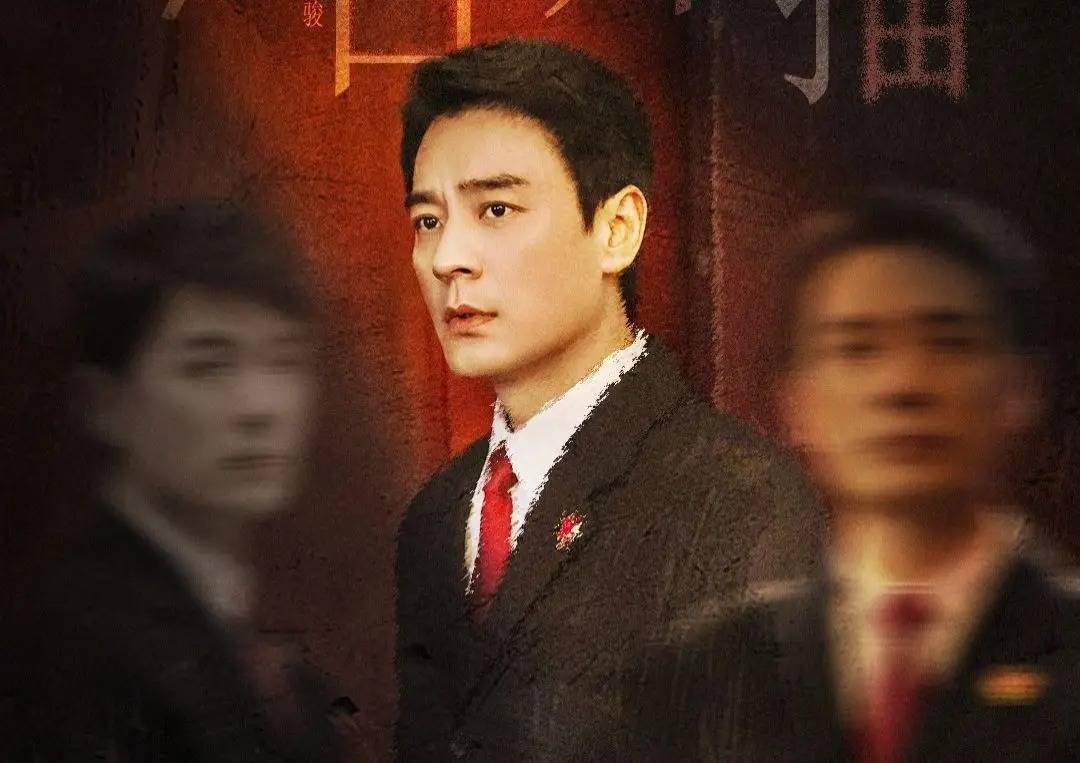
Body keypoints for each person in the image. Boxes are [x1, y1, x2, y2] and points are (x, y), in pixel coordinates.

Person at [395, 38, 821, 759]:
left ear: (617, 229)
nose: (447, 259)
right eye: (428, 221)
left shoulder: (738, 500)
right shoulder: (435, 518)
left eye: (495, 209)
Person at [626, 189, 1080, 761]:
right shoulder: (700, 676)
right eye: (857, 347)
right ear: (797, 401)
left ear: (1020, 386)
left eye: (948, 342)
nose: (902, 385)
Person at [7, 200, 354, 761]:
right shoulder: (79, 646)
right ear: (105, 402)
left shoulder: (246, 639)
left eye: (283, 360)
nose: (259, 407)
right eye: (208, 364)